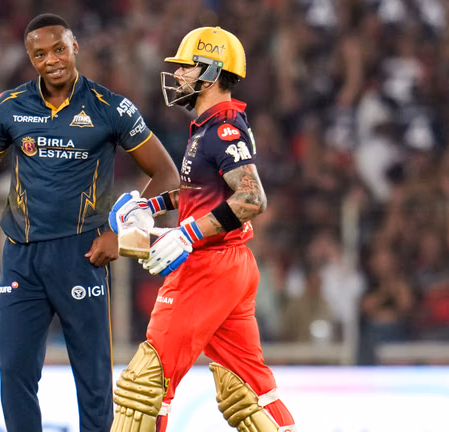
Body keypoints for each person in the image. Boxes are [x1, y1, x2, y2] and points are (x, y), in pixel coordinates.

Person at [0, 14, 179, 432]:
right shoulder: (8, 107)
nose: (51, 60)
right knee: (15, 374)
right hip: (21, 256)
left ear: (75, 47)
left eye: (59, 49)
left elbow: (167, 175)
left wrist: (121, 232)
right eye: (40, 54)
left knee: (93, 381)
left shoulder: (110, 108)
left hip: (81, 255)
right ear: (30, 59)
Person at [108, 27, 296, 432]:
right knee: (248, 393)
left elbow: (251, 199)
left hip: (208, 268)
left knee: (146, 385)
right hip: (230, 266)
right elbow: (202, 192)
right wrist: (153, 205)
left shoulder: (222, 129)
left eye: (185, 68)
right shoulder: (213, 127)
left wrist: (188, 234)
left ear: (210, 72)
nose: (177, 77)